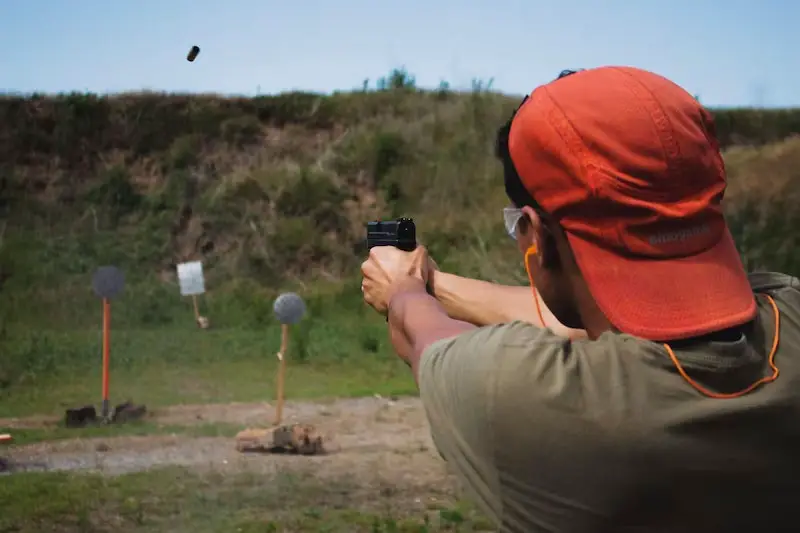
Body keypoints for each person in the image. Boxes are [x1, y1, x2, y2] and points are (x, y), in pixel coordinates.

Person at [360, 66, 800, 532]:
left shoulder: (511, 394)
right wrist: (435, 283)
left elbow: (425, 337)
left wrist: (404, 290)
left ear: (538, 240)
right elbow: (585, 324)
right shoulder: (790, 310)